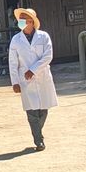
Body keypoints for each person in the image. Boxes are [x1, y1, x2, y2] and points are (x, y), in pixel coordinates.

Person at [8, 8, 58, 151]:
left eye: (24, 19)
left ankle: (38, 132)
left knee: (43, 109)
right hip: (25, 79)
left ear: (32, 21)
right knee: (31, 111)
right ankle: (38, 139)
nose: (21, 22)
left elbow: (48, 56)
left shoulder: (44, 37)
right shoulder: (16, 40)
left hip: (42, 77)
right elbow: (13, 62)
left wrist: (33, 69)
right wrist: (15, 82)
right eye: (20, 19)